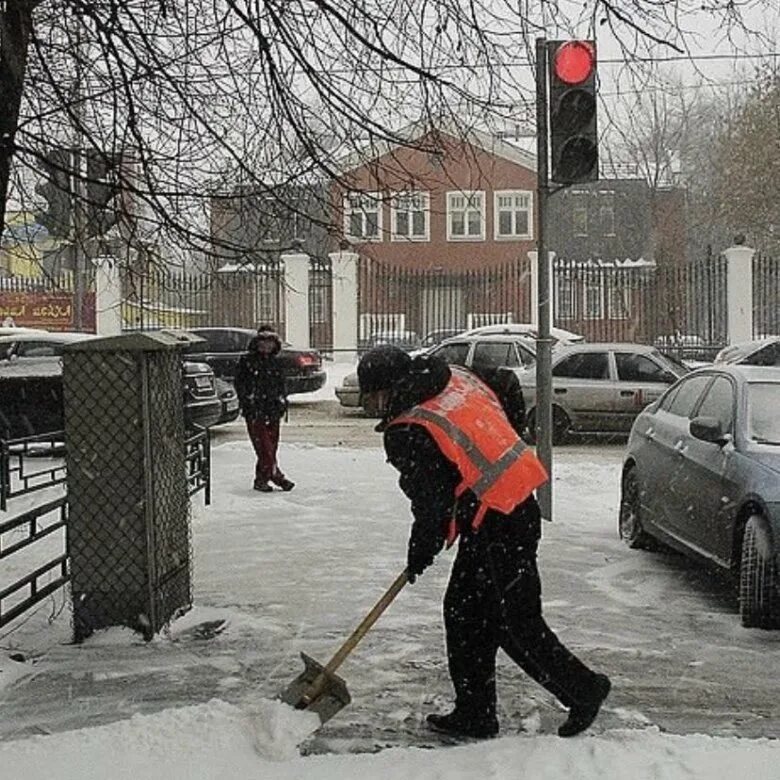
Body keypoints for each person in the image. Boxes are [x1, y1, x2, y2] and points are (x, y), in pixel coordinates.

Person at [357, 344, 610, 739]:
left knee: (512, 622)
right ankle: (476, 712)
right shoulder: (453, 377)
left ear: (388, 388)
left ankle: (583, 690)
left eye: (373, 395)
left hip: (499, 524)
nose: (373, 405)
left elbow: (432, 506)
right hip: (513, 506)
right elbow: (505, 382)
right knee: (467, 614)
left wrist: (420, 550)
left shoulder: (410, 428)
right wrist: (502, 438)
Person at [234, 326, 294, 493]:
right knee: (264, 448)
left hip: (273, 410)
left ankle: (262, 479)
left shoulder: (276, 362)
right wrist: (248, 401)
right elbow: (240, 384)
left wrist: (282, 401)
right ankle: (277, 476)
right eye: (263, 341)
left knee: (272, 447)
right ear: (257, 342)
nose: (266, 346)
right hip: (255, 411)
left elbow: (282, 385)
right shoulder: (247, 361)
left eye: (270, 342)